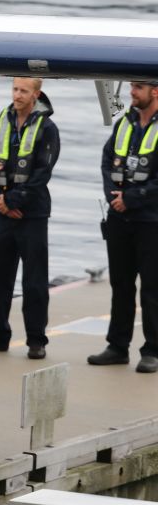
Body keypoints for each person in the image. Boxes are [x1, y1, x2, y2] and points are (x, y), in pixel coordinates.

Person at [0, 77, 60, 360]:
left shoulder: (47, 128)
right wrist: (0, 200)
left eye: (23, 91)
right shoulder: (1, 122)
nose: (17, 95)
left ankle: (36, 340)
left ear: (36, 94)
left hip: (32, 214)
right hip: (2, 213)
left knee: (34, 280)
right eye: (15, 89)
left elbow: (42, 172)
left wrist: (14, 201)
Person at [88, 80, 158, 374]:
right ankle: (117, 346)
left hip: (151, 222)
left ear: (155, 91)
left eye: (138, 87)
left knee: (152, 289)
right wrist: (113, 197)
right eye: (131, 86)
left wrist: (132, 198)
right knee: (121, 285)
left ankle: (153, 350)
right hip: (120, 219)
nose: (131, 92)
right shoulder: (125, 122)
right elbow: (107, 161)